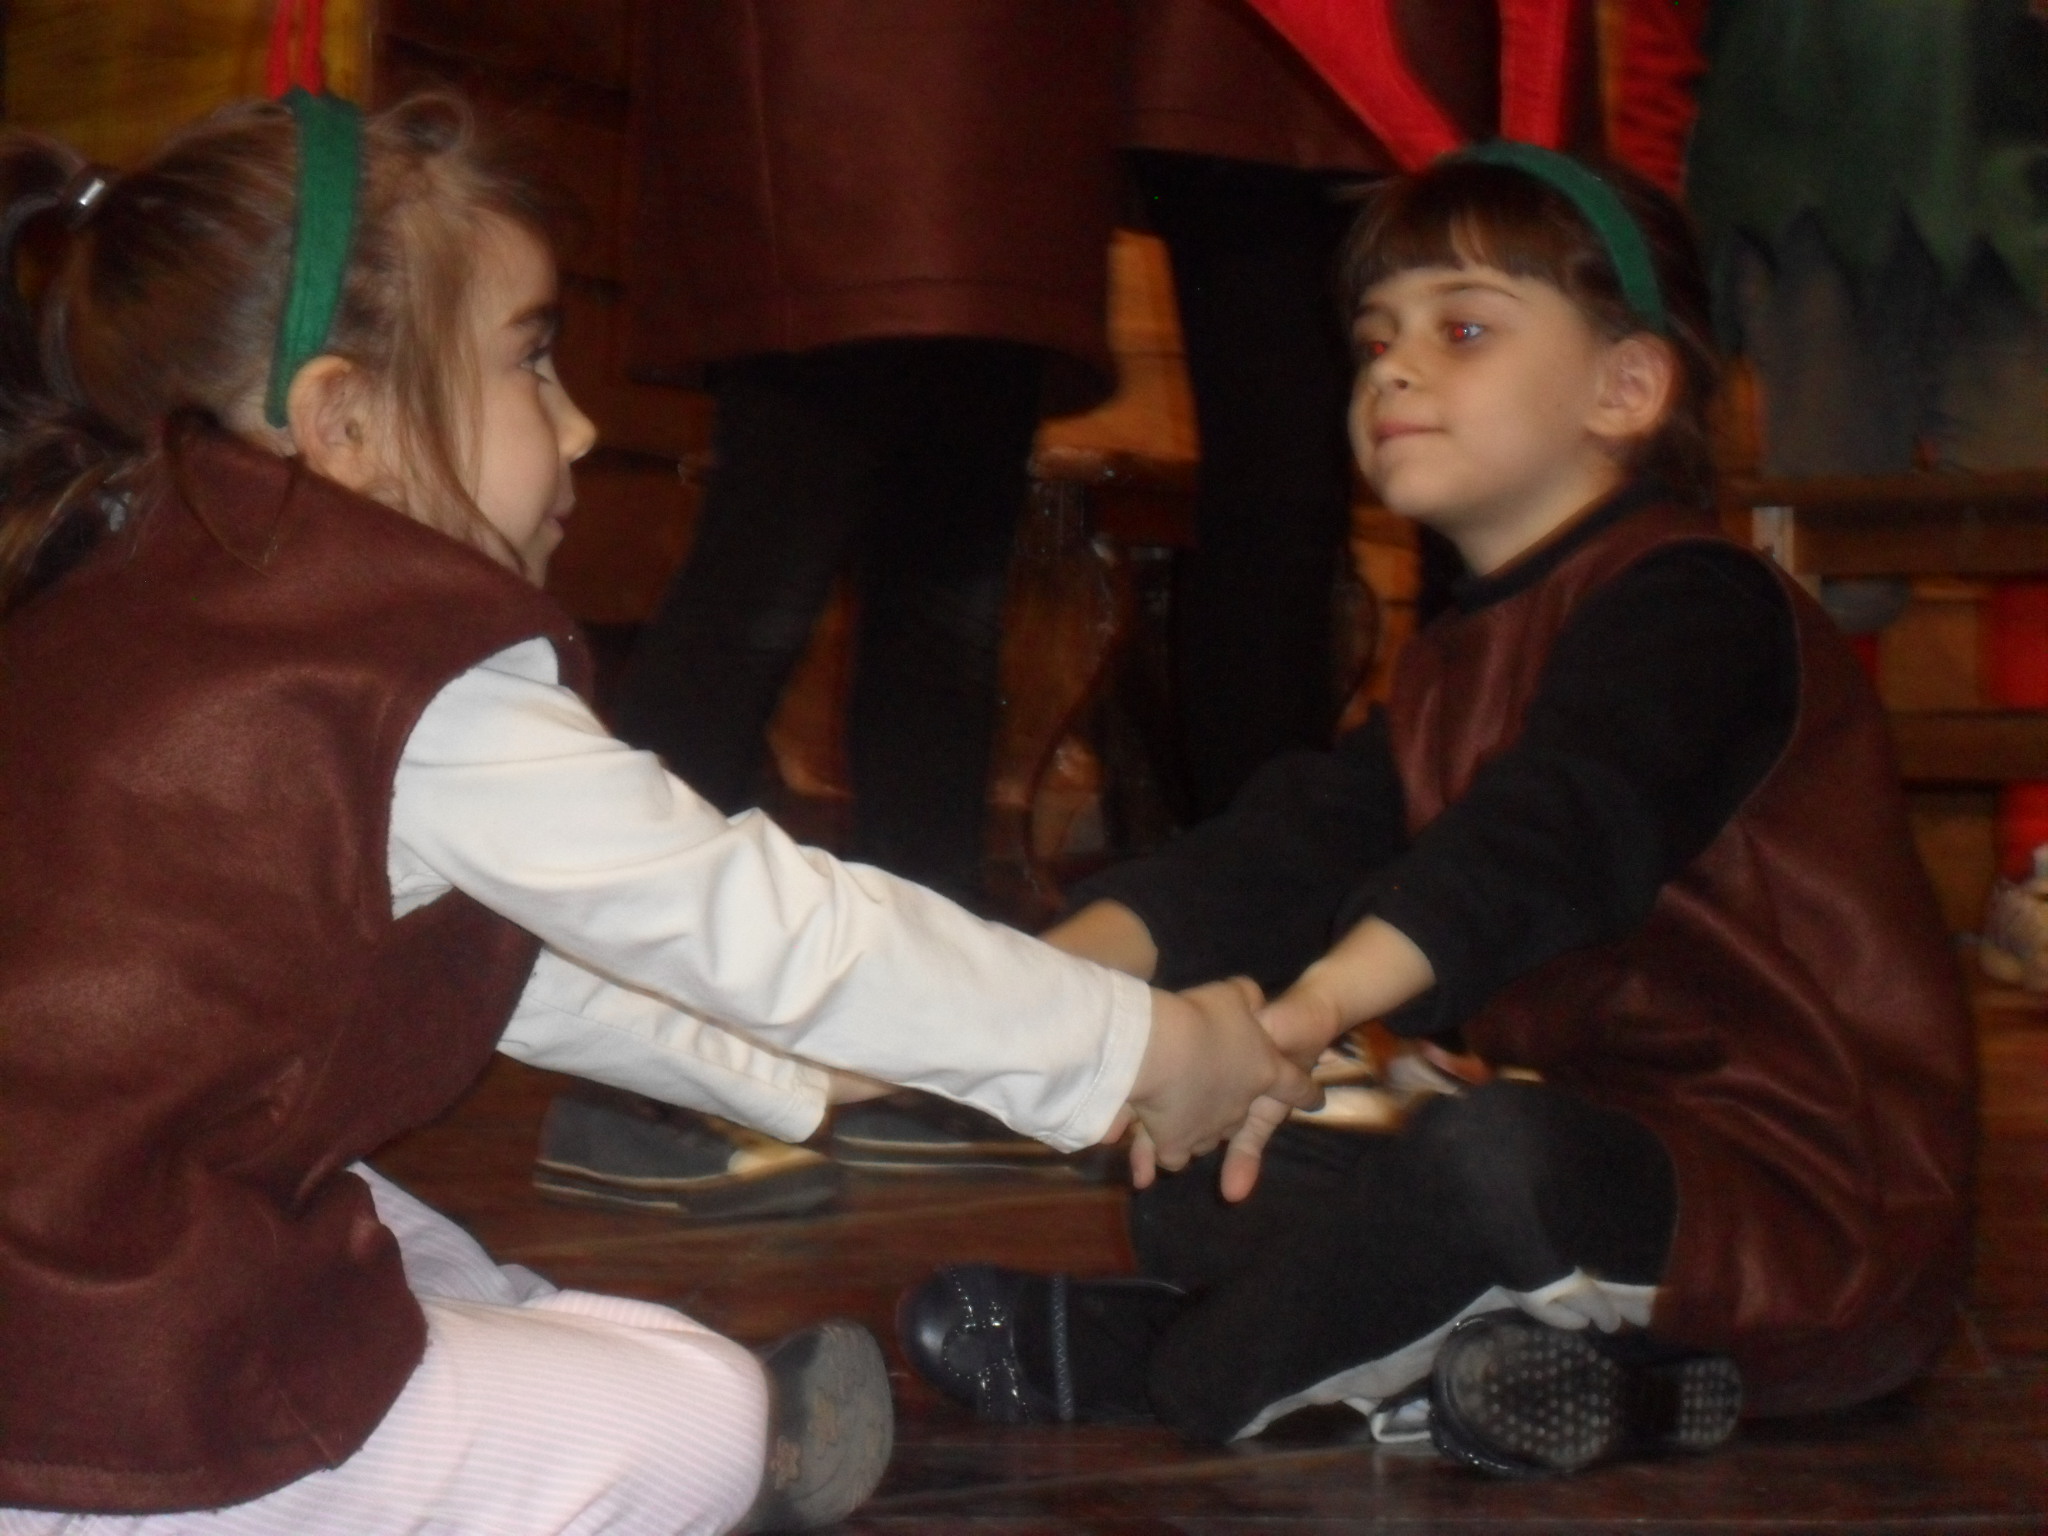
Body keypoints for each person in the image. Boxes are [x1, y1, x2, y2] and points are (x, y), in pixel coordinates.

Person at [0, 92, 1315, 1534]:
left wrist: (821, 1068)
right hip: (73, 1394)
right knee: (701, 1417)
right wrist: (1146, 1047)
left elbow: (520, 970)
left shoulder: (144, 596)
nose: (577, 425)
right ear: (345, 419)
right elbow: (768, 925)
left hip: (71, 1259)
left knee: (372, 1221)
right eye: (530, 359)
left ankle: (510, 1396)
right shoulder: (394, 668)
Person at [898, 145, 1976, 1476]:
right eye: (1376, 339)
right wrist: (1005, 999)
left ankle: (1171, 1366)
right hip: (1618, 1164)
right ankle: (1556, 1380)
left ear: (1627, 387)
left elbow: (1544, 839)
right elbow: (1277, 858)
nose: (1393, 370)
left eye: (1461, 330)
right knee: (1195, 1172)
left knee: (1483, 1165)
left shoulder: (1704, 606)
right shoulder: (1455, 662)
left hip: (1810, 1216)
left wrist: (1299, 1020)